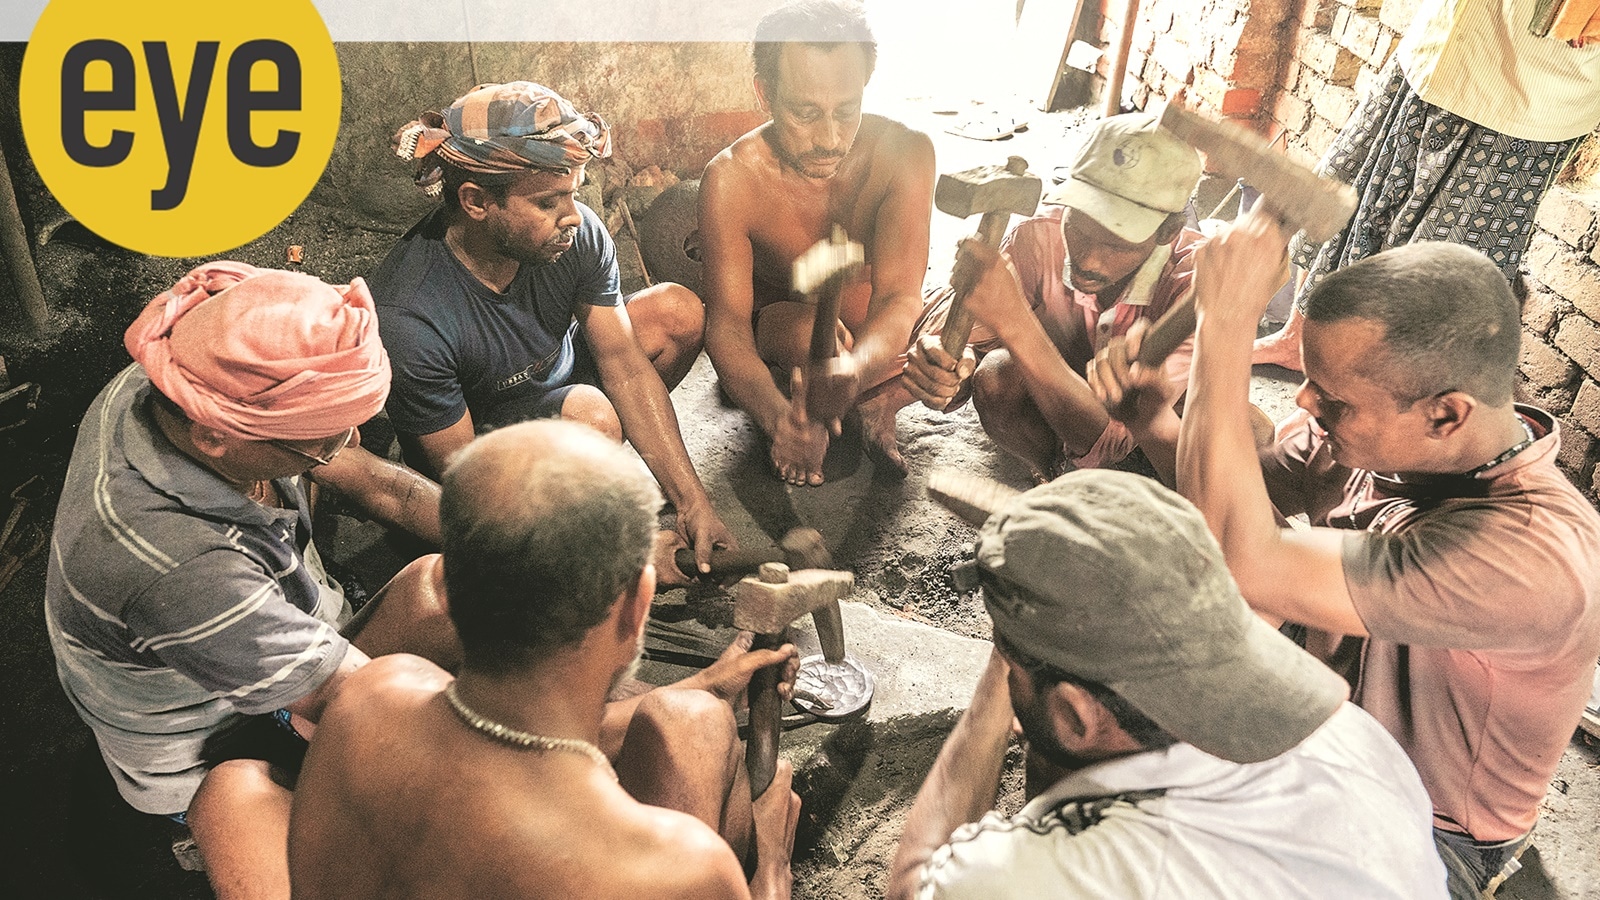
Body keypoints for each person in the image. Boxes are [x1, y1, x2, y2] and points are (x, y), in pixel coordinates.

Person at [1097, 216, 1600, 898]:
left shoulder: (1530, 556)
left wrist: (1226, 329)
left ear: (1446, 414)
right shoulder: (1383, 441)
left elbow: (1244, 560)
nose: (1303, 402)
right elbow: (1237, 495)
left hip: (1426, 826)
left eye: (1332, 399)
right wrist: (1154, 420)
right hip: (1328, 731)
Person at [45, 262, 461, 899]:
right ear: (215, 437)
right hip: (212, 735)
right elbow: (359, 701)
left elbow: (382, 485)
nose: (346, 443)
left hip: (266, 645)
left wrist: (517, 543)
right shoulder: (176, 566)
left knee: (446, 587)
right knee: (254, 802)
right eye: (319, 443)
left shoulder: (185, 372)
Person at [289, 420, 802, 900]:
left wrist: (707, 686)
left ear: (445, 585)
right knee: (701, 731)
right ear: (638, 605)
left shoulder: (365, 698)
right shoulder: (680, 869)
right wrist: (770, 867)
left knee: (694, 715)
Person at [889, 470, 1447, 899]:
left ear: (1075, 714)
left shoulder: (1088, 873)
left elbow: (915, 883)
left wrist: (1010, 653)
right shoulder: (1354, 738)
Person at [375, 81, 731, 576]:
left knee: (677, 312)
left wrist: (692, 501)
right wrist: (618, 553)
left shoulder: (574, 235)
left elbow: (626, 367)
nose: (573, 217)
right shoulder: (411, 316)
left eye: (574, 193)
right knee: (592, 418)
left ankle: (584, 468)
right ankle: (575, 484)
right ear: (476, 202)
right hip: (479, 445)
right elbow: (466, 484)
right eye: (548, 202)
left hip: (556, 381)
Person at [1252, 0, 1600, 371]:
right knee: (1347, 196)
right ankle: (1300, 342)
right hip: (1437, 47)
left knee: (1442, 265)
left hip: (1525, 88)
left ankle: (1366, 385)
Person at [700, 0, 936, 485]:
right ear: (765, 93)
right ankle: (824, 399)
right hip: (792, 330)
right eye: (805, 113)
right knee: (810, 336)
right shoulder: (731, 179)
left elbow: (900, 295)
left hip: (879, 337)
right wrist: (777, 419)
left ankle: (876, 403)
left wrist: (855, 369)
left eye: (846, 111)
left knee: (960, 340)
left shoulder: (905, 154)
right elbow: (727, 328)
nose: (829, 138)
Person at [903, 113, 1206, 484]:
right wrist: (949, 369)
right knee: (996, 376)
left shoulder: (1195, 288)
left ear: (1169, 231)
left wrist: (1014, 321)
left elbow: (1113, 440)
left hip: (1155, 435)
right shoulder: (1038, 238)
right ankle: (1052, 473)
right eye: (1079, 229)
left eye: (1116, 245)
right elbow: (971, 352)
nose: (1089, 260)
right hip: (1059, 401)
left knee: (1240, 435)